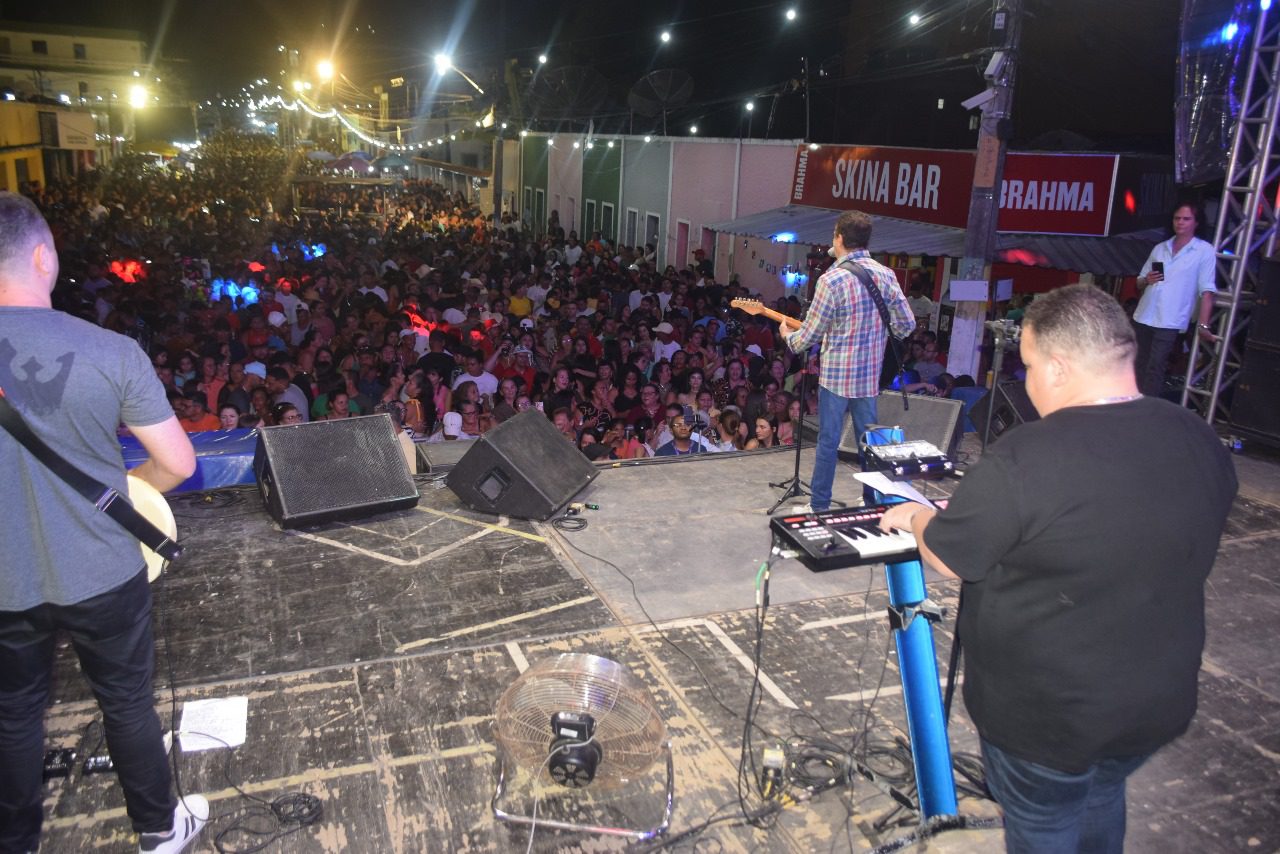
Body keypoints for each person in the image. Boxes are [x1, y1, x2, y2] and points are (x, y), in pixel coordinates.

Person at [878, 284, 1237, 854]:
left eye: (1028, 366)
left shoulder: (1027, 455)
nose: (1026, 382)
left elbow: (948, 556)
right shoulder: (1198, 435)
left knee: (1045, 825)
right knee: (1101, 797)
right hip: (1153, 703)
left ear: (1060, 367)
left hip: (1047, 721)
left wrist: (919, 517)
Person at [0, 192, 208, 853]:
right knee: (125, 702)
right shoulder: (109, 350)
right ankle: (159, 831)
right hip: (102, 567)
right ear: (42, 256)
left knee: (12, 715)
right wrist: (122, 492)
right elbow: (178, 463)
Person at [779, 209, 914, 512]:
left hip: (836, 378)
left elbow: (809, 336)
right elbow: (907, 324)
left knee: (828, 442)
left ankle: (820, 505)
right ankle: (873, 502)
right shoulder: (886, 275)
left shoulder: (831, 280)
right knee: (870, 444)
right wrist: (878, 333)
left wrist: (787, 336)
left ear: (839, 237)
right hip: (868, 377)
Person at [1133, 201, 1217, 397]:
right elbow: (1139, 282)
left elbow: (1207, 290)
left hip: (1171, 317)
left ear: (1196, 222)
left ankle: (1148, 407)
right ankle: (1132, 402)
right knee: (1138, 363)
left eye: (1186, 219)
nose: (1180, 222)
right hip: (1145, 314)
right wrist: (1147, 280)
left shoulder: (1203, 250)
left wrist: (1204, 324)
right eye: (1177, 218)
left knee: (1156, 365)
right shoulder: (1161, 248)